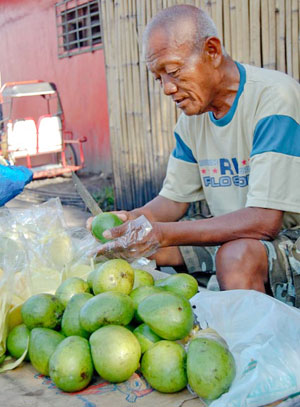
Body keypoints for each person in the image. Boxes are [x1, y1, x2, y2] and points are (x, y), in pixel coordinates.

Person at [90, 5, 300, 307]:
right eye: (158, 78)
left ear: (212, 51)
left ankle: (257, 350)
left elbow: (263, 221)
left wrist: (161, 233)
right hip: (239, 235)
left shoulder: (273, 99)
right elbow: (172, 202)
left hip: (288, 238)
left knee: (236, 257)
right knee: (143, 250)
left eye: (173, 72)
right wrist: (125, 222)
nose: (167, 88)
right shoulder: (193, 118)